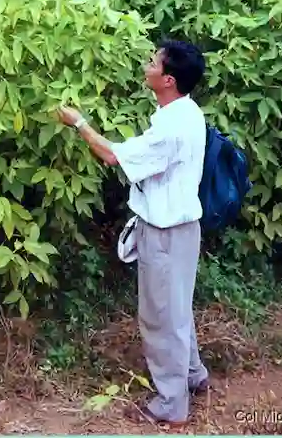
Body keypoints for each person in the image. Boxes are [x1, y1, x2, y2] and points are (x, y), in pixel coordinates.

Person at [57, 40, 210, 426]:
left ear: (168, 79)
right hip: (182, 229)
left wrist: (78, 123)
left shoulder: (171, 129)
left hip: (165, 233)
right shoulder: (185, 111)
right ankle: (192, 374)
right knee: (177, 308)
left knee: (160, 317)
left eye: (153, 63)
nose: (147, 66)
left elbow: (112, 155)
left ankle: (171, 403)